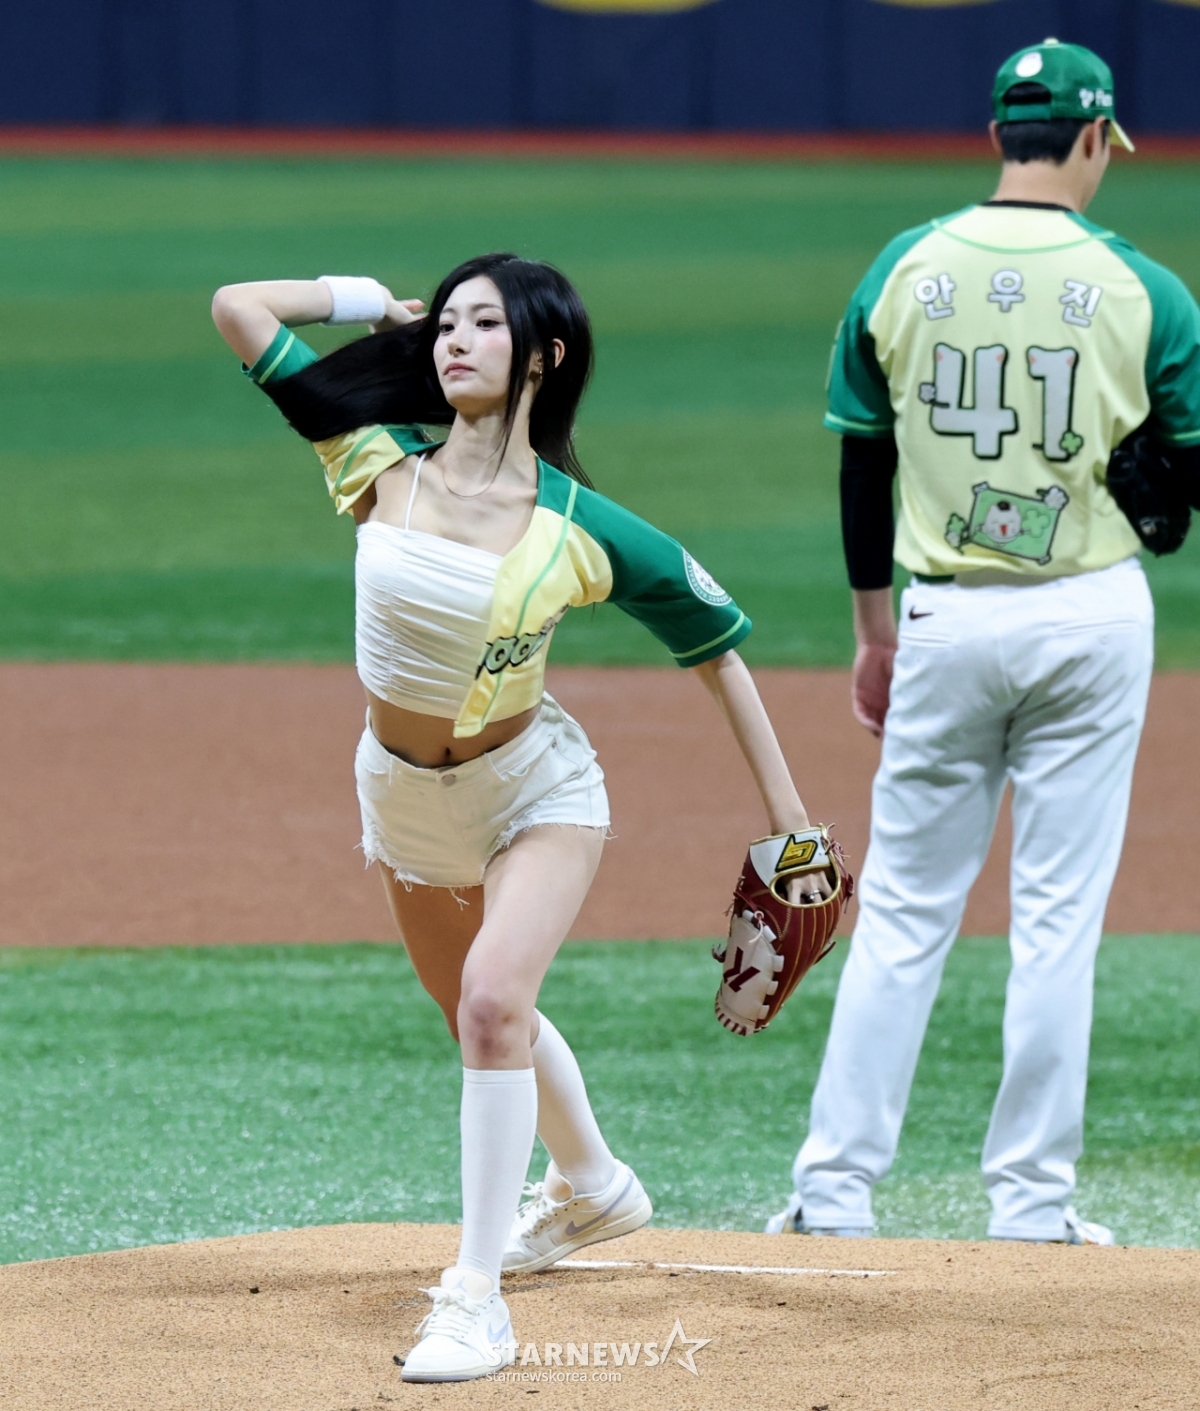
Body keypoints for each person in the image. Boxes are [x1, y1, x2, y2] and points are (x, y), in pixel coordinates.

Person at [212, 253, 827, 1381]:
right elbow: (238, 309)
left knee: (494, 1004)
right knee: (475, 1008)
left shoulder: (581, 526)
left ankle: (474, 1299)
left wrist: (791, 827)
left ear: (543, 356)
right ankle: (593, 1184)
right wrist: (370, 302)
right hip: (401, 799)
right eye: (447, 322)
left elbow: (715, 646)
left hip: (536, 790)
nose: (455, 339)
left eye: (484, 323)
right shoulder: (370, 455)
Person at [767, 39, 1200, 1245]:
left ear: (1001, 136)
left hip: (944, 617)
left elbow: (863, 458)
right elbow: (1188, 474)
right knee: (1059, 921)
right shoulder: (1145, 289)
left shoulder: (905, 266)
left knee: (906, 910)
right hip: (1090, 618)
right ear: (1095, 139)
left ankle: (835, 1192)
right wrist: (1157, 482)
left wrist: (872, 630)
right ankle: (1032, 1203)